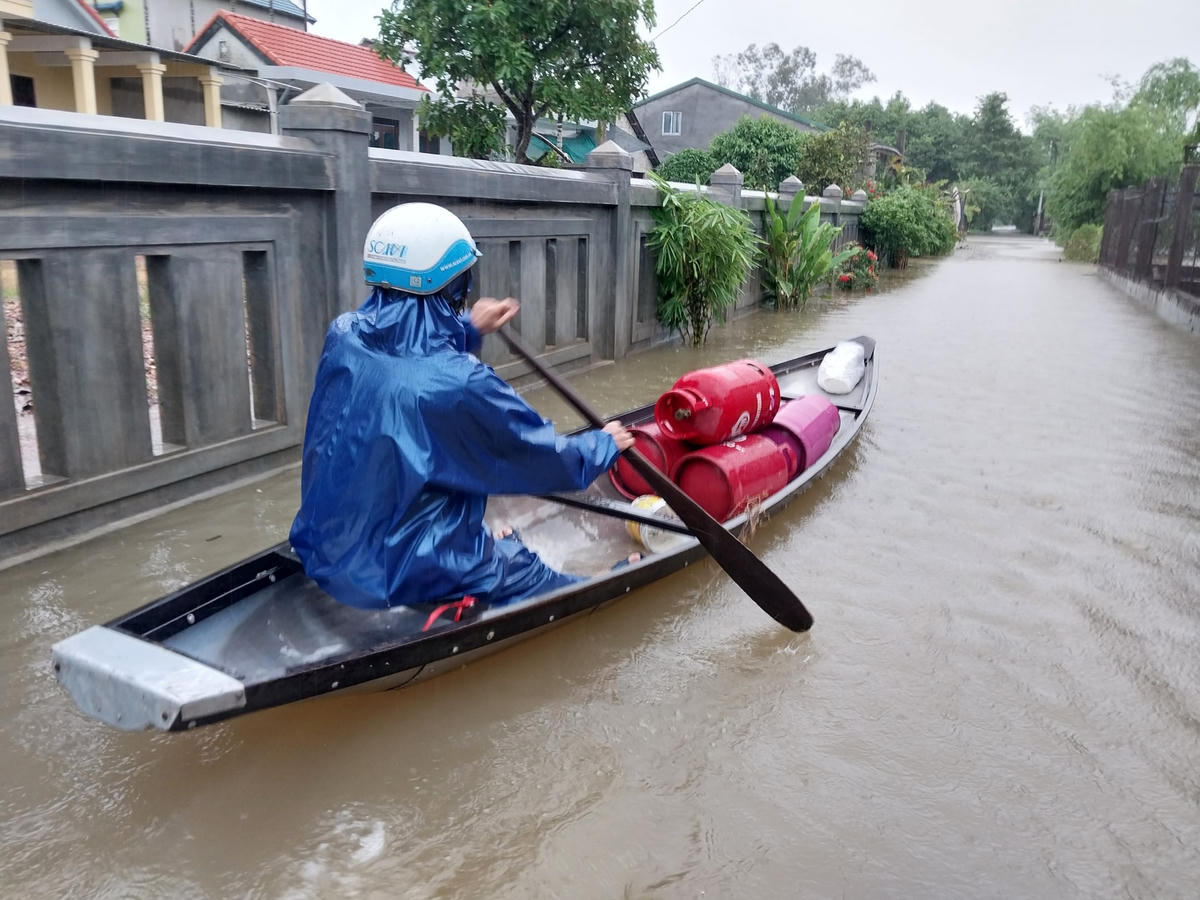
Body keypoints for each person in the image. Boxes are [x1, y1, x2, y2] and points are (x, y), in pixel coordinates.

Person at [289, 202, 635, 612]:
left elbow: (406, 353)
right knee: (524, 570)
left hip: (323, 548)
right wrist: (602, 445)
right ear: (454, 285)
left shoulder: (344, 335)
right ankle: (600, 582)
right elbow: (535, 454)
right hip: (400, 571)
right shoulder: (458, 383)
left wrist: (468, 327)